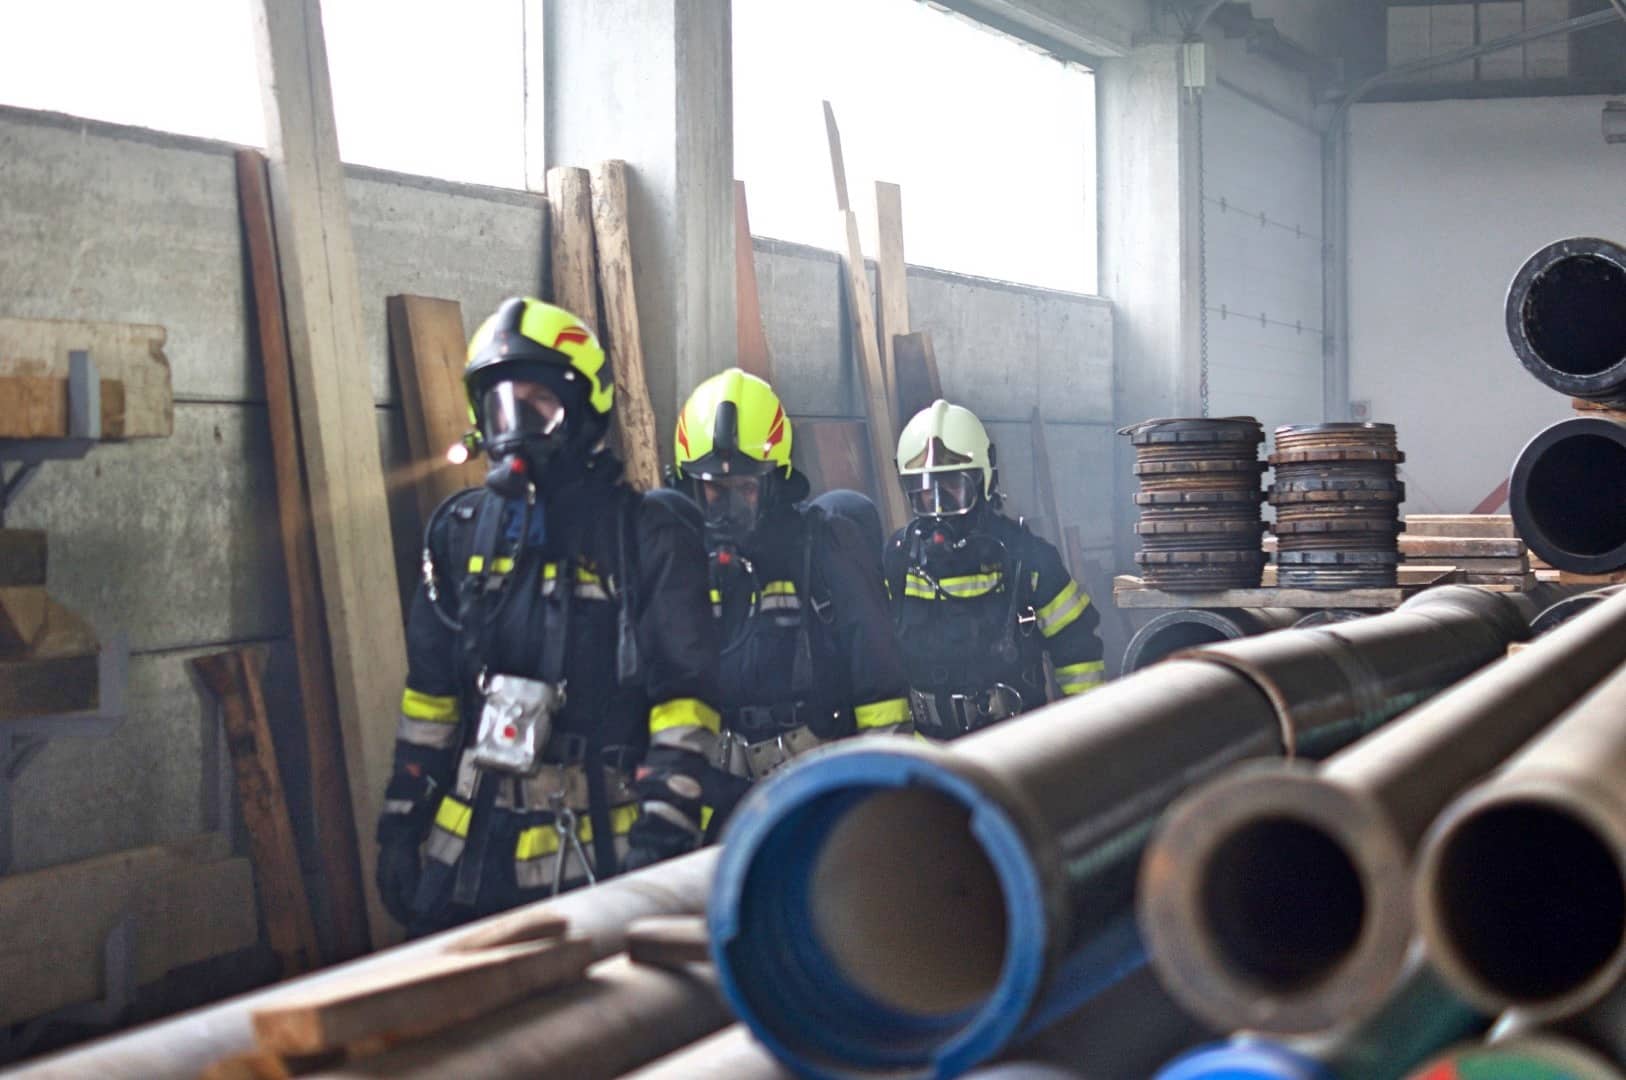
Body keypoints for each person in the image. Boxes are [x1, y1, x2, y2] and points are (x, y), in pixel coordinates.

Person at [375, 298, 721, 936]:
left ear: (586, 414)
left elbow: (687, 706)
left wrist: (662, 834)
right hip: (470, 867)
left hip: (600, 865)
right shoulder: (457, 535)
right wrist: (401, 822)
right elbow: (431, 701)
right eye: (500, 406)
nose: (515, 426)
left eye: (538, 406)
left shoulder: (647, 537)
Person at [671, 368, 911, 836]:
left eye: (746, 488)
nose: (729, 508)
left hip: (816, 793)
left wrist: (883, 813)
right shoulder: (677, 561)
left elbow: (879, 684)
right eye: (715, 490)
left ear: (775, 483)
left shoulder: (824, 549)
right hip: (714, 804)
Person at [885, 399, 1105, 739]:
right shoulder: (899, 561)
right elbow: (881, 658)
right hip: (926, 757)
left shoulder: (1027, 560)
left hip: (1014, 751)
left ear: (984, 483)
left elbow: (1079, 653)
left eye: (953, 490)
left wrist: (1087, 738)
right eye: (926, 493)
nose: (938, 508)